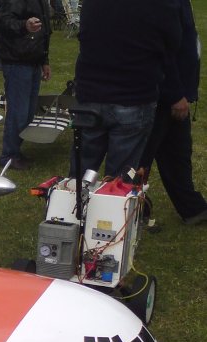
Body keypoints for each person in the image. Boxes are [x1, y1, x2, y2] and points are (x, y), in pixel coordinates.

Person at [69, 0, 182, 179]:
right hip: (133, 95)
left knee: (80, 172)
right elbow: (174, 42)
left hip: (91, 93)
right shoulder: (161, 5)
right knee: (119, 180)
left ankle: (72, 204)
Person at [140, 0, 207, 225]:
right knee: (141, 158)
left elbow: (185, 44)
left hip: (177, 93)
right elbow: (163, 50)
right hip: (162, 94)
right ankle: (128, 208)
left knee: (177, 153)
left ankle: (192, 208)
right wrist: (174, 94)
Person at [0, 0, 52, 170]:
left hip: (32, 59)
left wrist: (44, 61)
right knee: (18, 113)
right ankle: (8, 156)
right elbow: (4, 22)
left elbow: (44, 31)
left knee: (27, 114)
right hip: (16, 60)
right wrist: (24, 25)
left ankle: (15, 152)